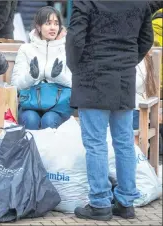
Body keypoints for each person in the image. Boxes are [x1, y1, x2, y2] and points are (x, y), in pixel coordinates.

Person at [66, 1, 153, 221]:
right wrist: (126, 62)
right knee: (124, 142)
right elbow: (146, 40)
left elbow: (75, 38)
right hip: (123, 77)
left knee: (96, 143)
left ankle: (100, 203)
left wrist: (76, 68)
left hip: (92, 76)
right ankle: (125, 202)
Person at [12, 6, 72, 130]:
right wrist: (32, 76)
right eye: (48, 23)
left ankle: (50, 150)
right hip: (31, 103)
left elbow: (74, 84)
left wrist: (57, 76)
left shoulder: (67, 50)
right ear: (38, 27)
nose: (53, 27)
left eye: (56, 24)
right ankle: (30, 150)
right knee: (30, 119)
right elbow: (16, 84)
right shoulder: (26, 49)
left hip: (58, 105)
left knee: (49, 120)